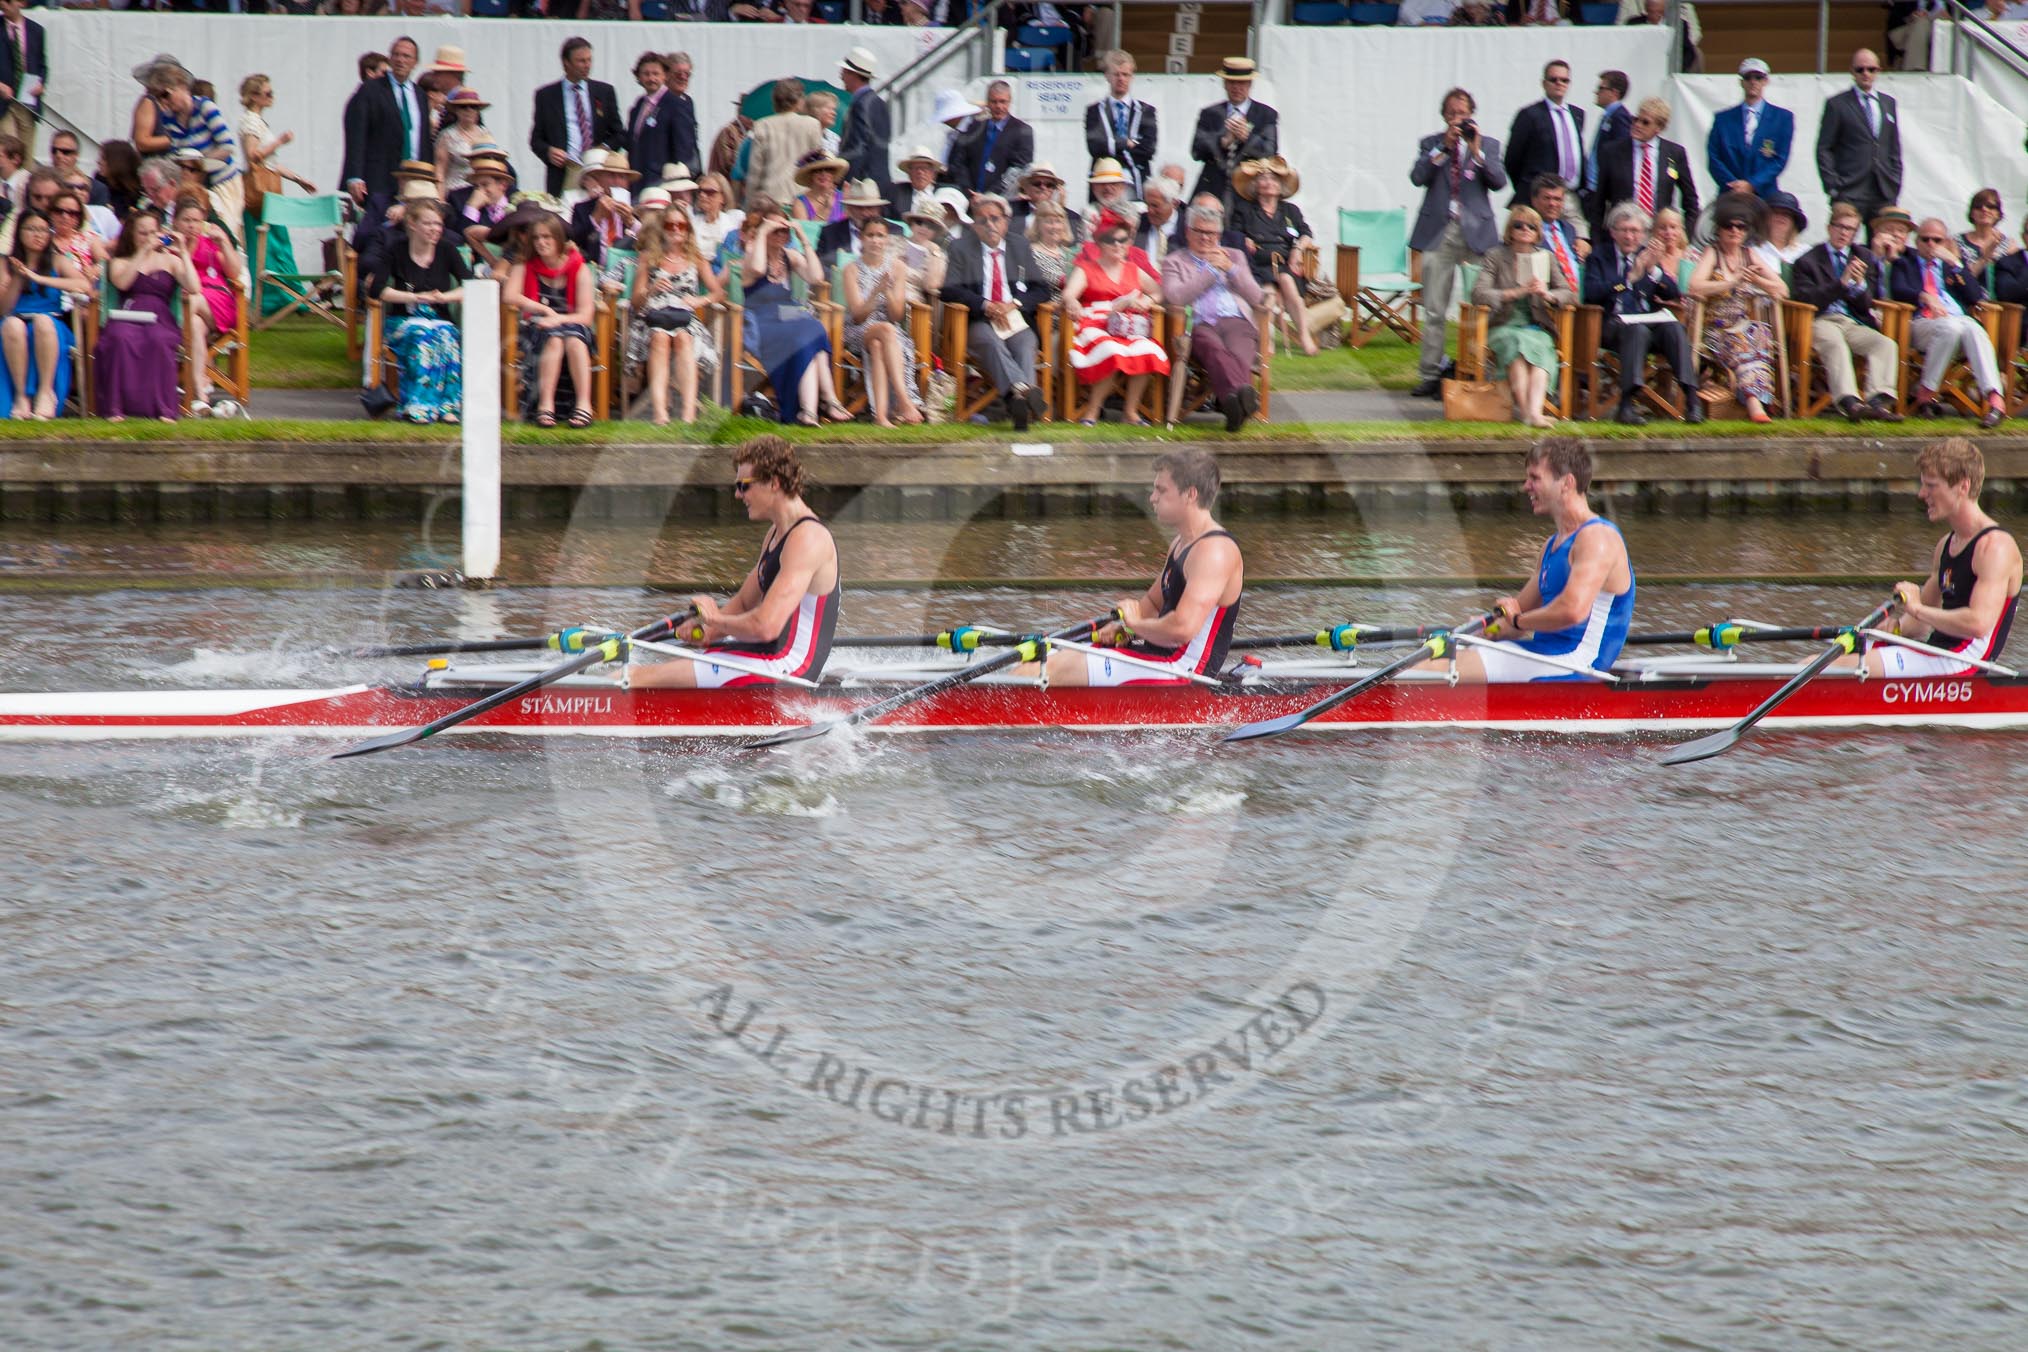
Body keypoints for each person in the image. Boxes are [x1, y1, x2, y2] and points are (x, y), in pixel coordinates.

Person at [632, 436, 842, 691]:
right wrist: (708, 631)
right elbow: (743, 602)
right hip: (765, 656)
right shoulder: (776, 534)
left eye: (744, 486)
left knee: (636, 678)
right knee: (642, 673)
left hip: (789, 669)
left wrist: (714, 618)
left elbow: (765, 626)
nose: (737, 494)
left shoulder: (808, 538)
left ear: (774, 482)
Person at [1418, 439, 1634, 682]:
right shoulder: (1551, 546)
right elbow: (1515, 616)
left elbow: (1572, 611)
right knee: (1449, 654)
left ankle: (1395, 697)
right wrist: (1486, 630)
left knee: (1435, 670)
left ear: (1567, 483)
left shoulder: (1598, 538)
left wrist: (1518, 621)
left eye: (1535, 478)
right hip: (1549, 657)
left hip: (1579, 663)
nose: (1526, 486)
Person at [1024, 450, 1243, 688]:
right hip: (1159, 658)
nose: (1152, 498)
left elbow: (1182, 629)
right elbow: (1153, 604)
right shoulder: (1181, 543)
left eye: (1161, 490)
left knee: (1046, 669)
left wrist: (1135, 624)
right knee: (1042, 658)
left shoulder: (1215, 553)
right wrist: (1125, 627)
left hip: (1184, 671)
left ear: (1190, 494)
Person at [1844, 437, 2021, 678]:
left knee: (1826, 669)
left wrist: (1916, 608)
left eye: (1931, 485)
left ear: (1963, 486)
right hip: (1937, 654)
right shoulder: (1945, 545)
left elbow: (1978, 624)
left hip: (1965, 662)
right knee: (1821, 661)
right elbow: (1920, 624)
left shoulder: (1995, 547)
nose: (1921, 494)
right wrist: (1893, 629)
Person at [1408, 87, 1506, 398]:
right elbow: (1417, 177)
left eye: (1462, 114)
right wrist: (1444, 147)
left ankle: (1478, 369)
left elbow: (1498, 181)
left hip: (1477, 232)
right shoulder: (1431, 143)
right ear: (1444, 116)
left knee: (1481, 305)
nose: (1457, 119)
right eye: (1452, 114)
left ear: (1471, 115)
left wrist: (1475, 151)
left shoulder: (1488, 145)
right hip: (1439, 231)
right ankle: (1430, 373)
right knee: (1434, 308)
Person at [1582, 202, 1703, 426]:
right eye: (1624, 230)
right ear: (1613, 232)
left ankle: (1692, 400)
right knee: (1637, 331)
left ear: (1643, 234)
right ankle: (1626, 405)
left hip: (1648, 324)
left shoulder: (1646, 255)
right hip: (1612, 326)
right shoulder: (1599, 257)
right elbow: (1592, 293)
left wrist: (1653, 270)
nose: (1630, 236)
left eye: (1635, 231)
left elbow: (1673, 293)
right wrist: (1628, 279)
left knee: (1674, 327)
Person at [940, 193, 1054, 430]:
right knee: (990, 342)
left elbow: (1042, 289)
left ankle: (1018, 401)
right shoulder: (961, 247)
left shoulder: (1019, 245)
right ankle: (1025, 393)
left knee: (1025, 344)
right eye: (982, 220)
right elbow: (949, 290)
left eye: (995, 219)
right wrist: (986, 305)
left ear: (1006, 222)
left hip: (1014, 318)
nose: (989, 224)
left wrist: (1014, 304)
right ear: (974, 225)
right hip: (979, 319)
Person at [1790, 200, 1904, 423]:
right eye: (1840, 227)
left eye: (1850, 229)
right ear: (1829, 228)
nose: (1844, 233)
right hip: (1820, 319)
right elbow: (1807, 299)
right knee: (1835, 344)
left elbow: (1867, 303)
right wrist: (1842, 283)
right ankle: (1850, 403)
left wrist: (1860, 285)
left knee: (1885, 344)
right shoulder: (1808, 261)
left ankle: (1877, 402)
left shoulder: (1864, 256)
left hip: (1852, 321)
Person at [739, 198, 848, 426]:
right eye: (776, 230)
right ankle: (823, 404)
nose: (781, 234)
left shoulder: (789, 256)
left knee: (814, 330)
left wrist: (803, 238)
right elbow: (757, 269)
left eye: (784, 231)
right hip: (762, 321)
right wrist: (764, 230)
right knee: (807, 334)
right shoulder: (752, 256)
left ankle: (814, 408)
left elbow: (816, 277)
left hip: (789, 317)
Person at [1891, 217, 2006, 429]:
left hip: (1957, 323)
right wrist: (1924, 296)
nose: (1931, 244)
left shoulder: (1950, 266)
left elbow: (1974, 296)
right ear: (1917, 241)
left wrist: (1956, 263)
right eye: (1925, 239)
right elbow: (1899, 289)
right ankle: (1927, 392)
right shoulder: (1905, 262)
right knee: (1952, 327)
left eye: (1937, 240)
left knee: (1974, 328)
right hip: (1923, 322)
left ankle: (1994, 399)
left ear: (1946, 242)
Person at [1162, 201, 1265, 432]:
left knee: (1240, 351)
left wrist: (1231, 269)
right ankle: (1242, 399)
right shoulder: (1174, 261)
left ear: (1219, 234)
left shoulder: (1235, 256)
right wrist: (1210, 272)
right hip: (1200, 323)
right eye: (1199, 231)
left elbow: (1256, 296)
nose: (1205, 237)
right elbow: (1175, 296)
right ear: (1188, 232)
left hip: (1235, 320)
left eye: (1211, 233)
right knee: (1214, 349)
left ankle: (1233, 403)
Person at [1686, 192, 1786, 423]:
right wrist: (1731, 282)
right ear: (1719, 229)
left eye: (1741, 227)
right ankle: (1757, 402)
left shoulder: (1749, 254)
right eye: (1729, 226)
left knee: (1759, 333)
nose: (1735, 231)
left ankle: (1753, 400)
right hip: (1715, 329)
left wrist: (1755, 280)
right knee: (1746, 340)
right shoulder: (1713, 253)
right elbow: (1694, 286)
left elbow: (1782, 289)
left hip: (1742, 327)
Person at [1473, 205, 1574, 429]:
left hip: (1534, 326)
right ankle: (1530, 414)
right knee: (1516, 346)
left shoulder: (1546, 258)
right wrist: (1515, 293)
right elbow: (1479, 293)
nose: (1525, 229)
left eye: (1531, 226)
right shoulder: (1495, 256)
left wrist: (1547, 294)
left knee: (1541, 350)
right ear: (1510, 230)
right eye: (1518, 225)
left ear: (1538, 233)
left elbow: (1568, 293)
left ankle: (1533, 413)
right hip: (1503, 324)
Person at [1063, 208, 1166, 425]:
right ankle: (1092, 412)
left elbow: (1158, 291)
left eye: (1123, 240)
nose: (1118, 245)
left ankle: (1130, 412)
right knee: (1111, 350)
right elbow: (1069, 294)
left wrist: (1147, 301)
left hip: (1126, 324)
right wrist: (1072, 302)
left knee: (1146, 349)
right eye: (1111, 240)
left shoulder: (1133, 269)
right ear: (1100, 243)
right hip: (1095, 322)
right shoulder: (1086, 268)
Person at [375, 197, 468, 425]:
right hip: (403, 320)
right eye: (428, 223)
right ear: (412, 224)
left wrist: (444, 297)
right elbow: (377, 289)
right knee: (422, 336)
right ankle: (418, 406)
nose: (434, 229)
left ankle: (448, 406)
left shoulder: (447, 250)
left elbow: (470, 286)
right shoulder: (396, 249)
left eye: (438, 224)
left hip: (439, 319)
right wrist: (414, 297)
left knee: (447, 337)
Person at [94, 207, 191, 423]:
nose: (148, 237)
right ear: (132, 234)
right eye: (142, 233)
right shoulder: (120, 261)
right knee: (120, 338)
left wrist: (183, 252)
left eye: (152, 232)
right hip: (128, 312)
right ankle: (115, 407)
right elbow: (122, 283)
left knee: (158, 340)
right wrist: (142, 252)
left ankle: (163, 408)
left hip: (160, 315)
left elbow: (194, 287)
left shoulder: (170, 260)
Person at [629, 205, 721, 427]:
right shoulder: (648, 258)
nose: (676, 230)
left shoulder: (696, 258)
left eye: (681, 225)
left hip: (684, 318)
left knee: (683, 338)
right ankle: (660, 413)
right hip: (653, 317)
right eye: (670, 225)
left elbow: (718, 292)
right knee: (660, 338)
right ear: (662, 229)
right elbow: (635, 302)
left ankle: (688, 413)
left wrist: (699, 301)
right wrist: (651, 290)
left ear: (688, 229)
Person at [137, 61, 247, 245]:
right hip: (194, 183)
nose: (164, 102)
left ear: (180, 86)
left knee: (220, 231)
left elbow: (227, 147)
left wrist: (198, 163)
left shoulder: (205, 107)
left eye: (166, 94)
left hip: (222, 182)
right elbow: (175, 152)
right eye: (159, 98)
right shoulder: (168, 119)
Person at [506, 212, 597, 428]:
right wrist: (544, 310)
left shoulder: (578, 267)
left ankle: (584, 404)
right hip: (537, 325)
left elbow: (586, 316)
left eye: (547, 237)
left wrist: (557, 319)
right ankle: (546, 405)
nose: (541, 242)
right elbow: (509, 296)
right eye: (536, 237)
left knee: (574, 339)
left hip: (574, 324)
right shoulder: (523, 265)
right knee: (554, 339)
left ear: (558, 239)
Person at [1229, 155, 1319, 357]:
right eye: (1263, 178)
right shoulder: (1245, 210)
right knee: (1268, 291)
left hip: (1286, 262)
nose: (1268, 182)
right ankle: (1266, 341)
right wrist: (1244, 239)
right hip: (1258, 264)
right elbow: (1234, 234)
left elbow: (1306, 233)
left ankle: (1304, 337)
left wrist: (1297, 250)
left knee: (1287, 281)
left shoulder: (1290, 210)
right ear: (1255, 185)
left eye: (1273, 179)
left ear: (1281, 186)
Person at [0, 209, 86, 419]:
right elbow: (4, 309)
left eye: (43, 230)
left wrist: (39, 279)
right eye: (31, 229)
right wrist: (19, 278)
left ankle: (45, 392)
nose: (38, 235)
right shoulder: (6, 263)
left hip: (50, 322)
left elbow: (84, 286)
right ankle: (21, 396)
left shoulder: (57, 261)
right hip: (16, 320)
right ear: (19, 232)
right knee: (12, 325)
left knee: (43, 322)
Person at [839, 216, 924, 428]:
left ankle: (881, 417)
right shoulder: (851, 269)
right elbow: (857, 316)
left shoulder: (897, 267)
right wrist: (876, 292)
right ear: (861, 238)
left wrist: (888, 291)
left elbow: (896, 316)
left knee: (879, 344)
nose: (875, 241)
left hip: (888, 333)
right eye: (870, 235)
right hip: (858, 329)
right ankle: (904, 401)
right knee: (886, 331)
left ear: (887, 239)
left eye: (880, 236)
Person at [342, 36, 426, 223]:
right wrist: (355, 176)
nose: (400, 60)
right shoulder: (371, 89)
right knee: (378, 229)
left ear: (415, 62)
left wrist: (427, 176)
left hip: (412, 178)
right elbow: (357, 134)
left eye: (406, 56)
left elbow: (423, 140)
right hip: (379, 177)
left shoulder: (420, 95)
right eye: (396, 55)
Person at [1590, 96, 1698, 240]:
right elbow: (1599, 201)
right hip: (1625, 234)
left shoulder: (1674, 153)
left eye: (1645, 122)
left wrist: (1685, 236)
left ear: (1659, 127)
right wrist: (1596, 239)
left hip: (1659, 235)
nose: (1637, 125)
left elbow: (1690, 200)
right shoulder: (1612, 151)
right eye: (1635, 119)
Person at [1816, 50, 1901, 230]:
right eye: (1860, 69)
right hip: (1848, 188)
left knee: (1882, 240)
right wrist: (1833, 185)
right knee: (1844, 237)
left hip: (1882, 189)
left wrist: (1895, 181)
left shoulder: (1888, 103)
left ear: (1878, 71)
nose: (1866, 74)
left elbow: (1893, 146)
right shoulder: (1837, 104)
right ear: (1852, 71)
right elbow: (1824, 148)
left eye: (1871, 69)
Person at [531, 37, 624, 198]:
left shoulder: (604, 92)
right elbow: (536, 139)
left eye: (589, 60)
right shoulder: (546, 96)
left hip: (598, 170)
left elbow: (620, 134)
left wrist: (604, 148)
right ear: (566, 63)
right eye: (581, 61)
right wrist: (548, 151)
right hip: (564, 171)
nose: (587, 65)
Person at [173, 195, 240, 415]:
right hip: (190, 309)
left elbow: (234, 273)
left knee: (191, 300)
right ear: (175, 222)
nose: (191, 225)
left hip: (217, 302)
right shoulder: (171, 247)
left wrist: (225, 242)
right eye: (186, 220)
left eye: (196, 220)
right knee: (193, 325)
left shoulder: (210, 244)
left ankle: (169, 338)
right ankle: (200, 396)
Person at [1189, 57, 1277, 212]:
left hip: (1249, 190)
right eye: (1232, 82)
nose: (1236, 87)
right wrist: (1222, 141)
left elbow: (1270, 152)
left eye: (1242, 83)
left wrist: (1247, 139)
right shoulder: (1209, 113)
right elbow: (1196, 151)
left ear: (1250, 84)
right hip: (1214, 186)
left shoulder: (1266, 114)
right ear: (1225, 84)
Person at [1503, 60, 1586, 213]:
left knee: (1579, 229)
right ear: (1544, 83)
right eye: (1554, 79)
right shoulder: (1530, 115)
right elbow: (1512, 159)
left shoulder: (1577, 114)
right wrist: (1530, 188)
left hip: (1570, 196)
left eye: (1564, 80)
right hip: (1540, 198)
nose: (1559, 83)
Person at [1707, 58, 1793, 199]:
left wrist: (1752, 184)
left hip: (1765, 195)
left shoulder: (1782, 118)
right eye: (1748, 77)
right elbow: (1714, 157)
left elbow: (1780, 160)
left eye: (1758, 77)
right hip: (1730, 195)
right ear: (1741, 82)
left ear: (1766, 81)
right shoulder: (1722, 119)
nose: (1753, 82)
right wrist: (1734, 185)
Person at [745, 78, 824, 209]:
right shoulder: (812, 124)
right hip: (802, 200)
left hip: (770, 200)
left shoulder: (762, 125)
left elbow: (755, 172)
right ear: (798, 99)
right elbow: (817, 166)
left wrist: (749, 206)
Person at [948, 80, 1034, 201]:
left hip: (1003, 201)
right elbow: (958, 162)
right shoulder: (973, 127)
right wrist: (968, 192)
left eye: (1003, 101)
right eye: (994, 101)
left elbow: (1019, 169)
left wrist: (990, 195)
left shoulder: (1022, 131)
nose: (998, 106)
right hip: (969, 198)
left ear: (1010, 101)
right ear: (988, 102)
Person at [1086, 49, 1156, 196]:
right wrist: (1127, 143)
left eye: (1125, 74)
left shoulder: (1146, 111)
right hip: (1103, 184)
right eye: (1116, 74)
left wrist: (1111, 144)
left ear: (1132, 77)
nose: (1121, 79)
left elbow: (1148, 149)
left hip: (1137, 182)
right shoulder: (1094, 111)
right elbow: (1095, 147)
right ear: (1107, 76)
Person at [837, 48, 892, 203]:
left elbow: (857, 150)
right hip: (880, 182)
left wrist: (843, 182)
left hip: (862, 185)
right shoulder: (879, 102)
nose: (841, 76)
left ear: (853, 74)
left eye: (844, 71)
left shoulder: (860, 104)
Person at [1582, 70, 1632, 229]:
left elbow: (1620, 155)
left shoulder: (1620, 117)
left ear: (1614, 93)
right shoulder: (1608, 116)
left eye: (1601, 88)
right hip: (1592, 188)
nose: (1596, 92)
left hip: (1602, 190)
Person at [625, 53, 681, 186]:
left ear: (665, 75)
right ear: (638, 76)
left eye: (656, 73)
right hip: (637, 179)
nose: (651, 78)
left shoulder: (676, 104)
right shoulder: (638, 105)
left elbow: (682, 148)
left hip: (661, 181)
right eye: (646, 74)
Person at [0, 0, 46, 158]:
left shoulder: (36, 30)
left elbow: (42, 65)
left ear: (21, 3)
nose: (3, 5)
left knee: (26, 155)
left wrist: (41, 83)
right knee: (10, 151)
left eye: (8, 1)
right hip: (3, 103)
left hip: (27, 101)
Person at [1531, 176, 1588, 297]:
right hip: (1547, 299)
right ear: (1534, 200)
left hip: (1578, 298)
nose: (1552, 204)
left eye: (1557, 199)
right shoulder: (1527, 231)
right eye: (1547, 198)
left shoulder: (1569, 229)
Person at [816, 178, 889, 268]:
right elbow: (822, 266)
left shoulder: (893, 231)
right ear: (849, 208)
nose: (864, 213)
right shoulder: (830, 233)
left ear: (878, 209)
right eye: (859, 207)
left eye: (869, 207)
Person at [433, 88, 490, 196]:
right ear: (456, 110)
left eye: (473, 107)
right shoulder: (447, 136)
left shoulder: (486, 134)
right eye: (463, 107)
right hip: (455, 194)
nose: (468, 110)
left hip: (481, 192)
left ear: (478, 111)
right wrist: (440, 199)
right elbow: (439, 171)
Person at [1957, 188, 2018, 282]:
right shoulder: (1957, 243)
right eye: (1978, 206)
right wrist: (1985, 257)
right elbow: (1962, 280)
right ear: (1971, 213)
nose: (1984, 209)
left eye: (1991, 206)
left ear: (1998, 214)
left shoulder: (2009, 245)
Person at [692, 171, 743, 264]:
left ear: (723, 197)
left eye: (710, 192)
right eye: (700, 191)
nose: (702, 195)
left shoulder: (734, 220)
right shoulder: (692, 222)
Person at [791, 149, 848, 226]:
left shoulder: (844, 198)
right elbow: (805, 231)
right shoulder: (800, 203)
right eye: (818, 170)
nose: (823, 174)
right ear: (810, 176)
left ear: (834, 174)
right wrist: (825, 209)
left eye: (828, 170)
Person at [1026, 201, 1076, 287]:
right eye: (1049, 222)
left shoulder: (1068, 253)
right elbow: (1059, 280)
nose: (1054, 227)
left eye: (1058, 221)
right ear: (1038, 224)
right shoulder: (1031, 253)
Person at [1760, 193, 1809, 271]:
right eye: (1776, 212)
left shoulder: (1805, 252)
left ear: (1794, 222)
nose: (1781, 217)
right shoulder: (1753, 250)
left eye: (1787, 214)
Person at [96, 141, 144, 221]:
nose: (98, 162)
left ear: (117, 162)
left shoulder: (136, 196)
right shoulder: (98, 184)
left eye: (103, 158)